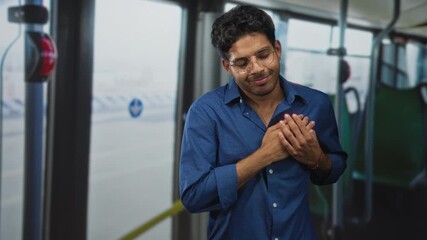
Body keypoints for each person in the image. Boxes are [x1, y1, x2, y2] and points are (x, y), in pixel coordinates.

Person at [179, 4, 347, 240]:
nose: (257, 69)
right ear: (228, 66)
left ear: (277, 49)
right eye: (242, 62)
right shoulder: (206, 112)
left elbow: (334, 169)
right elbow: (194, 197)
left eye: (263, 54)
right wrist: (265, 155)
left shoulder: (316, 104)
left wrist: (317, 159)